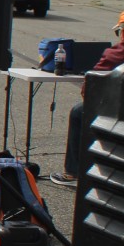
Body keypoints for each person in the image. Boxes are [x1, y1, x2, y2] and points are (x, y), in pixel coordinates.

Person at [50, 12, 124, 186]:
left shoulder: (115, 54)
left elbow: (91, 90)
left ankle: (73, 172)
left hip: (117, 110)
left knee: (79, 112)